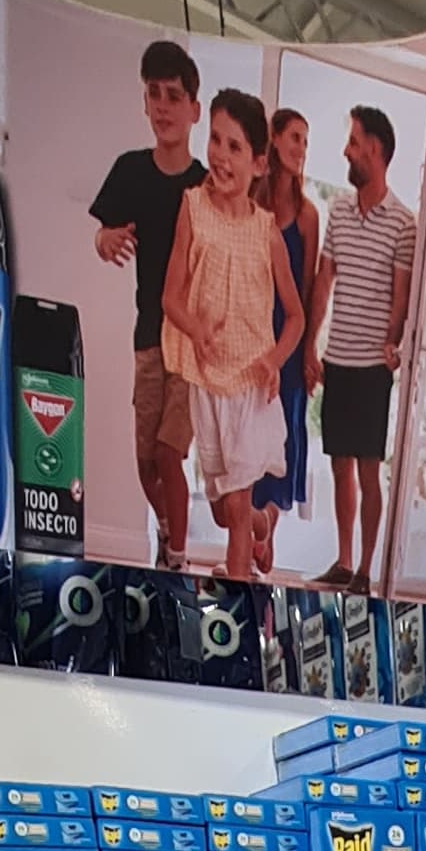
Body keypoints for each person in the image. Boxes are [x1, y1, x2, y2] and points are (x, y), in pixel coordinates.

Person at [161, 87, 305, 581]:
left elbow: (296, 317)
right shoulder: (192, 209)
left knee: (237, 506)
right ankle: (263, 524)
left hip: (251, 386)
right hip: (208, 382)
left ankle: (240, 602)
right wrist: (195, 328)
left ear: (259, 164)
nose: (220, 155)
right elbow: (170, 297)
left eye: (235, 147)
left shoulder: (267, 233)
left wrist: (274, 360)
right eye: (216, 140)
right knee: (225, 510)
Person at [90, 40, 207, 570]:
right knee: (145, 461)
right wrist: (104, 239)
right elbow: (102, 234)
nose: (163, 106)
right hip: (147, 334)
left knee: (168, 452)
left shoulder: (205, 186)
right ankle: (165, 527)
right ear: (144, 102)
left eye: (174, 96)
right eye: (154, 94)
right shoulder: (131, 170)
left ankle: (177, 559)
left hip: (189, 344)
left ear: (194, 109)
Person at [309, 103, 416, 587]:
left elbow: (401, 296)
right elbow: (324, 280)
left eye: (353, 142)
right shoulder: (338, 211)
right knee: (339, 466)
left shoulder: (403, 223)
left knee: (369, 471)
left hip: (373, 368)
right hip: (337, 360)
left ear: (374, 149)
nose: (346, 151)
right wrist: (311, 345)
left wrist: (392, 344)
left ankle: (366, 571)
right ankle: (344, 561)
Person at [251, 107, 322, 578]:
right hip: (252, 334)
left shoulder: (309, 215)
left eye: (305, 141)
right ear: (274, 139)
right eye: (295, 137)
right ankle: (250, 524)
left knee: (285, 437)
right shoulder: (250, 203)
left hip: (290, 338)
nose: (301, 148)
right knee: (250, 431)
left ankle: (267, 529)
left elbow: (310, 288)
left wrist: (309, 348)